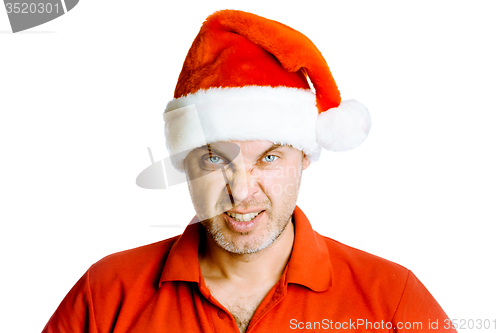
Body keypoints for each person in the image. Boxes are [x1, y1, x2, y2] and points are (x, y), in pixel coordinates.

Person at [43, 10, 456, 333]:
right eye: (215, 159)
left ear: (305, 158)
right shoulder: (105, 297)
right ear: (184, 163)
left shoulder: (392, 300)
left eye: (270, 158)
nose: (241, 192)